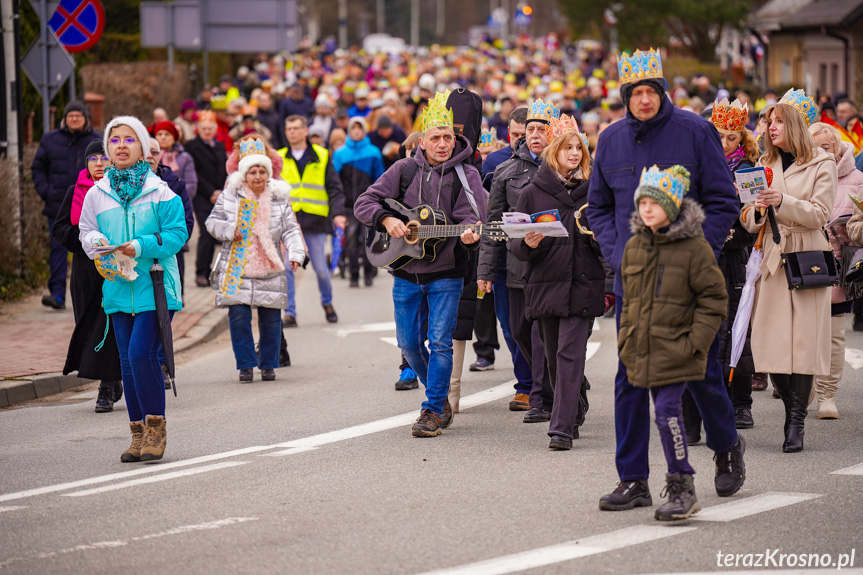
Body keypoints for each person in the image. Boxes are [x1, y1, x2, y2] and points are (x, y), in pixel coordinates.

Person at [587, 49, 745, 510]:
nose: (642, 100)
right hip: (633, 282)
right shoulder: (611, 140)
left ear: (661, 92)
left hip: (686, 282)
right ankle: (633, 478)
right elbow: (598, 206)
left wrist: (699, 253)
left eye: (649, 92)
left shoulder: (695, 131)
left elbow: (722, 200)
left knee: (700, 375)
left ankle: (726, 445)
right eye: (633, 93)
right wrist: (619, 255)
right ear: (624, 97)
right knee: (629, 380)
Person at [353, 90, 485, 437]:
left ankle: (430, 410)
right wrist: (385, 219)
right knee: (409, 343)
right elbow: (364, 201)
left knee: (440, 341)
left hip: (447, 273)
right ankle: (439, 398)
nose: (443, 144)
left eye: (448, 137)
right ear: (422, 141)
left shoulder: (467, 175)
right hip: (405, 271)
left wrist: (472, 233)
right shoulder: (404, 169)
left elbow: (474, 217)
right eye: (436, 138)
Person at [619, 165, 728, 520]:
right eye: (643, 202)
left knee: (667, 413)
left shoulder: (694, 248)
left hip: (679, 347)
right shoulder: (634, 246)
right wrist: (625, 339)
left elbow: (714, 299)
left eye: (655, 202)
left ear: (674, 204)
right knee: (660, 414)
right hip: (643, 348)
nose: (647, 208)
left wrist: (695, 343)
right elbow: (630, 303)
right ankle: (657, 482)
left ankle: (683, 485)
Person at [78, 116, 189, 462]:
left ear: (142, 147)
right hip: (116, 287)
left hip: (155, 287)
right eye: (115, 140)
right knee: (126, 365)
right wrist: (96, 241)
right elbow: (85, 230)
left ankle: (157, 428)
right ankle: (137, 435)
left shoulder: (160, 191)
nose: (121, 145)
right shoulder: (98, 193)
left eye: (129, 139)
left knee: (142, 355)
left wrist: (139, 246)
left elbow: (177, 235)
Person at [739, 89, 838, 453]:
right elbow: (748, 218)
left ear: (794, 125)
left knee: (803, 342)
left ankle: (795, 422)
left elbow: (820, 213)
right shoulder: (763, 164)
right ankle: (789, 406)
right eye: (768, 122)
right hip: (772, 256)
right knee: (770, 342)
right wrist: (758, 213)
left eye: (778, 121)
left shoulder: (821, 163)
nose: (771, 127)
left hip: (807, 254)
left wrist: (783, 201)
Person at [509, 116, 605, 450]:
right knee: (552, 357)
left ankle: (560, 427)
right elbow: (516, 245)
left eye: (579, 148)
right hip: (546, 284)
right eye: (568, 148)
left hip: (583, 283)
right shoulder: (533, 192)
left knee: (569, 354)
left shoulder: (595, 190)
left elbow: (607, 238)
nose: (575, 154)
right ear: (554, 152)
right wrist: (528, 244)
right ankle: (574, 405)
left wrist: (595, 238)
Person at [684, 98, 760, 439]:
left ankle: (739, 401)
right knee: (696, 333)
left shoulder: (748, 171)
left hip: (733, 258)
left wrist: (734, 232)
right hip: (697, 258)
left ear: (741, 138)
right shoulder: (692, 166)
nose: (725, 142)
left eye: (732, 137)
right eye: (719, 135)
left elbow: (756, 224)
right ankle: (692, 415)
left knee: (734, 331)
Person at [478, 99, 557, 417]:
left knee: (546, 334)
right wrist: (485, 269)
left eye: (542, 129)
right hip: (516, 266)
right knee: (517, 330)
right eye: (532, 129)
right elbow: (494, 224)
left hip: (557, 266)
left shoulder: (566, 166)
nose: (535, 134)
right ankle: (548, 383)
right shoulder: (505, 170)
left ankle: (540, 395)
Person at [207, 138, 305, 382]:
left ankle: (269, 364)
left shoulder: (279, 198)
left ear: (269, 173)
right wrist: (230, 229)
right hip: (237, 264)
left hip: (270, 264)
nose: (258, 176)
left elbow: (291, 229)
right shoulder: (230, 196)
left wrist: (295, 254)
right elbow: (212, 222)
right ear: (244, 174)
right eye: (253, 171)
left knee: (271, 319)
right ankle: (246, 365)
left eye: (262, 171)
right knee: (238, 318)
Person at [51, 140, 123, 412]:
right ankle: (111, 379)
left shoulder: (119, 190)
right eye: (92, 158)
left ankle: (106, 387)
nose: (98, 163)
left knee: (111, 325)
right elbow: (59, 228)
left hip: (114, 269)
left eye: (103, 157)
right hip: (84, 270)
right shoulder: (75, 191)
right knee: (89, 327)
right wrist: (83, 241)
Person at [810, 122, 863, 419]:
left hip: (839, 266)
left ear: (838, 147)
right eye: (815, 149)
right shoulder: (802, 175)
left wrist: (848, 231)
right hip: (803, 264)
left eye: (826, 148)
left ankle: (827, 394)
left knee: (833, 335)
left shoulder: (858, 180)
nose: (822, 155)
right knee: (803, 333)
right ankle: (802, 388)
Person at [31, 100, 102, 310]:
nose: (74, 119)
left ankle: (96, 292)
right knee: (59, 247)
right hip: (59, 203)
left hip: (94, 203)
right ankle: (57, 294)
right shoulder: (50, 140)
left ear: (85, 118)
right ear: (64, 118)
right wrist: (46, 192)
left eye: (78, 115)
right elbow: (37, 168)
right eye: (70, 115)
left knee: (90, 249)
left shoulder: (96, 141)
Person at [277, 115, 347, 325]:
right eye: (289, 128)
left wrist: (338, 214)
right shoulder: (279, 157)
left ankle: (327, 302)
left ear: (305, 131)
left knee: (321, 270)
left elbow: (334, 187)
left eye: (296, 128)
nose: (292, 132)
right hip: (288, 222)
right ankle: (290, 312)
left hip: (314, 220)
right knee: (288, 269)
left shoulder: (322, 155)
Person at [332, 117, 385, 287]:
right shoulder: (340, 154)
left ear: (364, 130)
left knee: (369, 239)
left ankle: (368, 272)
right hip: (348, 206)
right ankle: (354, 274)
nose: (356, 131)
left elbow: (380, 180)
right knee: (351, 241)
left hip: (368, 205)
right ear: (348, 130)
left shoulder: (373, 152)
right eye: (353, 128)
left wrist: (380, 202)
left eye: (359, 128)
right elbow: (335, 182)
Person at [146, 138, 196, 296]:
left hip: (170, 253)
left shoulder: (174, 183)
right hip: (139, 255)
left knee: (169, 301)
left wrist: (171, 244)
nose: (150, 156)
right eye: (145, 151)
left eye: (154, 152)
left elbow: (187, 220)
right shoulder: (126, 185)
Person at [185, 111, 229, 288]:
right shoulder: (192, 147)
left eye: (210, 128)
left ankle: (211, 270)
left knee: (216, 232)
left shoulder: (218, 146)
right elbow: (194, 173)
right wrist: (210, 191)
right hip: (202, 195)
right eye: (204, 128)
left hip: (219, 194)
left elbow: (223, 169)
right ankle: (200, 272)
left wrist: (221, 190)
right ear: (198, 129)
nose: (207, 131)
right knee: (206, 231)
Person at [481, 107, 527, 191]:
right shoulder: (493, 160)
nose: (519, 139)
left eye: (524, 136)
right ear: (509, 131)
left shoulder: (541, 158)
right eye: (515, 135)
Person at [152, 121, 198, 200]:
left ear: (174, 138)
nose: (163, 137)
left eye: (167, 134)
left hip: (179, 202)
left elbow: (191, 185)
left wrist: (171, 198)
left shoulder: (185, 158)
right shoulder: (150, 157)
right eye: (160, 134)